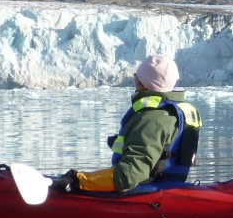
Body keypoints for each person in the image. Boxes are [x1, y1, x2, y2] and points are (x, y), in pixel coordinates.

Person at [64, 54, 201, 192]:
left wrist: (77, 180)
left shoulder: (152, 118)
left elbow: (129, 175)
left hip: (145, 192)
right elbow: (163, 148)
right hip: (170, 188)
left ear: (143, 84)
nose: (135, 81)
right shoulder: (177, 112)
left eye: (137, 77)